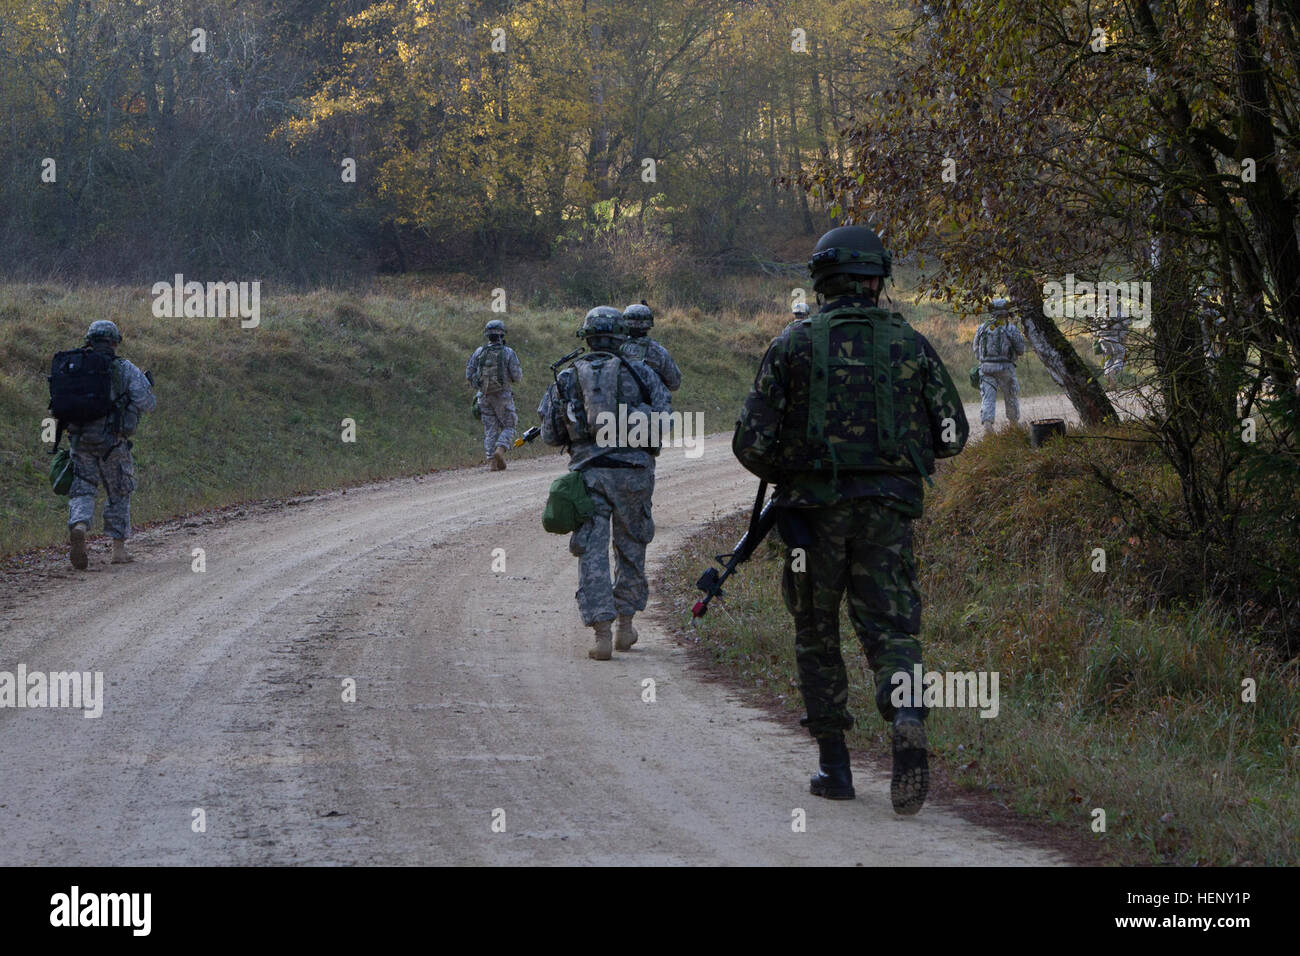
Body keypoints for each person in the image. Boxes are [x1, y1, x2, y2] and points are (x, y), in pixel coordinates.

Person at [733, 225, 969, 815]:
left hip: (811, 522)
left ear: (822, 280)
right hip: (887, 514)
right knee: (892, 630)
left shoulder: (793, 344)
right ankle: (907, 713)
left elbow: (749, 444)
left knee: (817, 632)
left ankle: (834, 767)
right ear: (876, 279)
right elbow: (953, 434)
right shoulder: (910, 343)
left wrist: (795, 466)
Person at [538, 307, 672, 660]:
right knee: (631, 547)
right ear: (620, 337)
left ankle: (601, 634)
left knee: (591, 552)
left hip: (588, 476)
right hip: (634, 475)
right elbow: (665, 423)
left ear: (587, 337)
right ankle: (625, 627)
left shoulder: (565, 378)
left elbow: (551, 434)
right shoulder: (642, 372)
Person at [65, 320, 157, 569]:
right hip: (112, 442)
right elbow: (148, 403)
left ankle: (80, 526)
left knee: (82, 488)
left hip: (79, 439)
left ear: (89, 340)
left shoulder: (73, 365)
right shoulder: (124, 368)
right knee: (119, 491)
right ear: (114, 342)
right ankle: (118, 550)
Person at [466, 319, 523, 470]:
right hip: (503, 396)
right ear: (502, 335)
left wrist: (479, 386)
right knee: (509, 425)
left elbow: (469, 373)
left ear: (487, 335)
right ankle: (500, 449)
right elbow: (517, 376)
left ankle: (491, 461)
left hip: (483, 396)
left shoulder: (479, 352)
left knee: (490, 429)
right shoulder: (508, 352)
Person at [973, 297, 1026, 433]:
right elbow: (1020, 350)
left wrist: (983, 361)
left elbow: (976, 349)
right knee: (1010, 395)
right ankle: (1014, 424)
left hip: (985, 368)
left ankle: (988, 425)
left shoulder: (982, 328)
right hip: (1005, 368)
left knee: (987, 397)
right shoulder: (1010, 329)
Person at [619, 301, 681, 391]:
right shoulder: (659, 352)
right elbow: (674, 384)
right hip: (650, 403)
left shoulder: (615, 348)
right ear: (649, 324)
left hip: (622, 404)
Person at [1097, 300, 1130, 385]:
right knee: (1121, 357)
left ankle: (1110, 382)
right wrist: (1124, 339)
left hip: (1103, 340)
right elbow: (1125, 327)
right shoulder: (1120, 313)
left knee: (1108, 359)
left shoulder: (1099, 312)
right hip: (1115, 339)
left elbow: (1095, 328)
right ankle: (1114, 370)